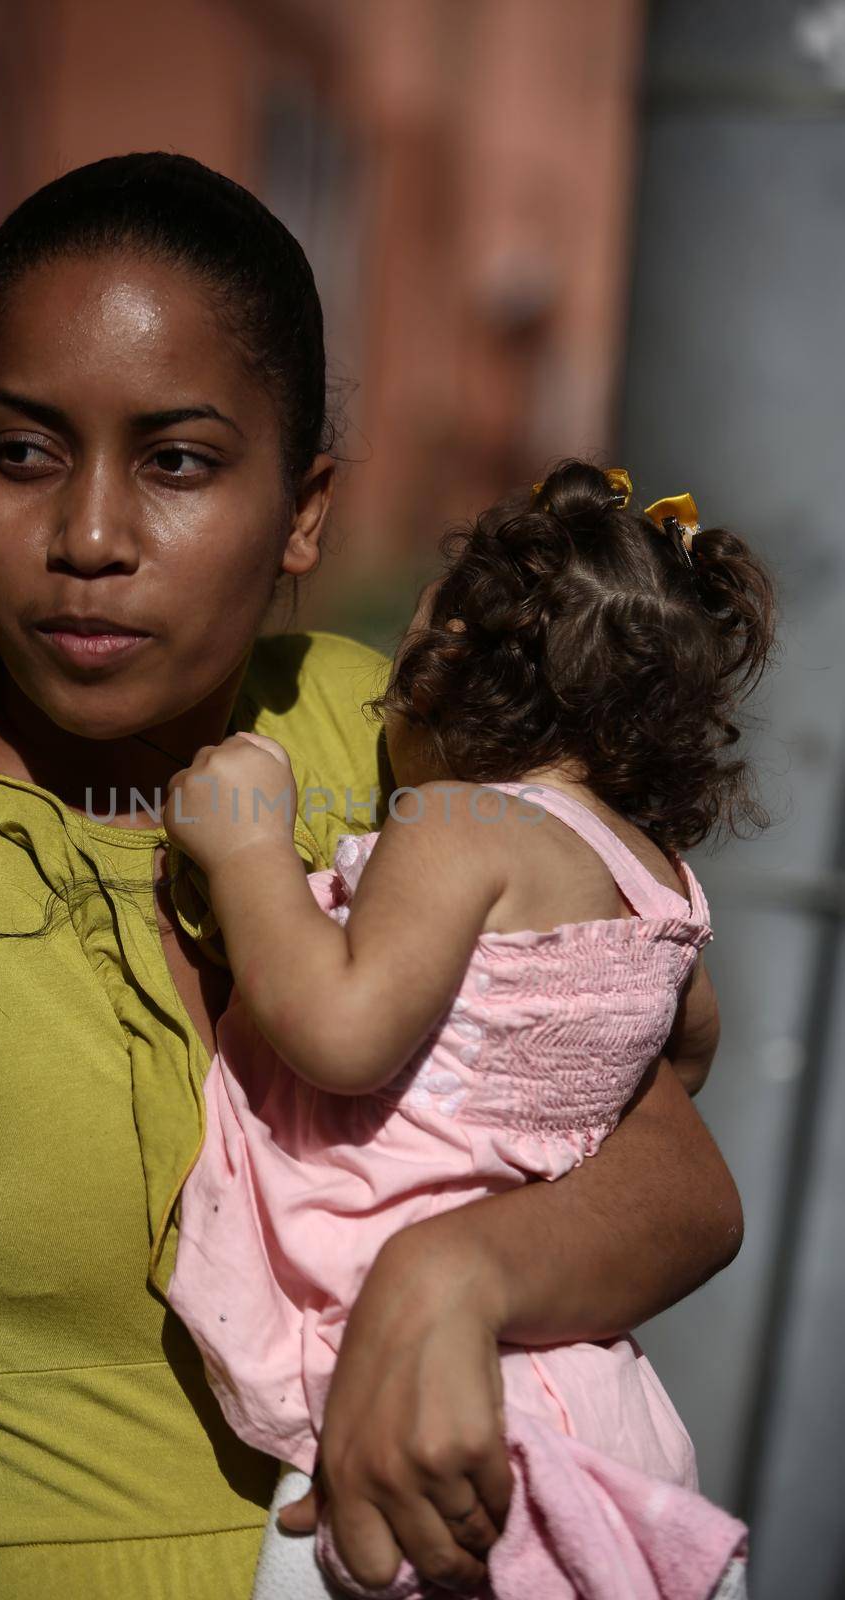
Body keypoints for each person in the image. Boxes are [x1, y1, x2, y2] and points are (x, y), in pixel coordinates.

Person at [0, 154, 743, 1600]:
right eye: (23, 452)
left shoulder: (392, 732)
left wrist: (455, 1272)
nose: (88, 538)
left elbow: (674, 1178)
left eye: (175, 461)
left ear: (303, 512)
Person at [162, 460, 775, 1599]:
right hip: (588, 1397)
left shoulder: (453, 825)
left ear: (447, 680)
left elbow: (342, 1031)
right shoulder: (660, 891)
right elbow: (681, 1056)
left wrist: (247, 848)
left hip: (415, 1408)